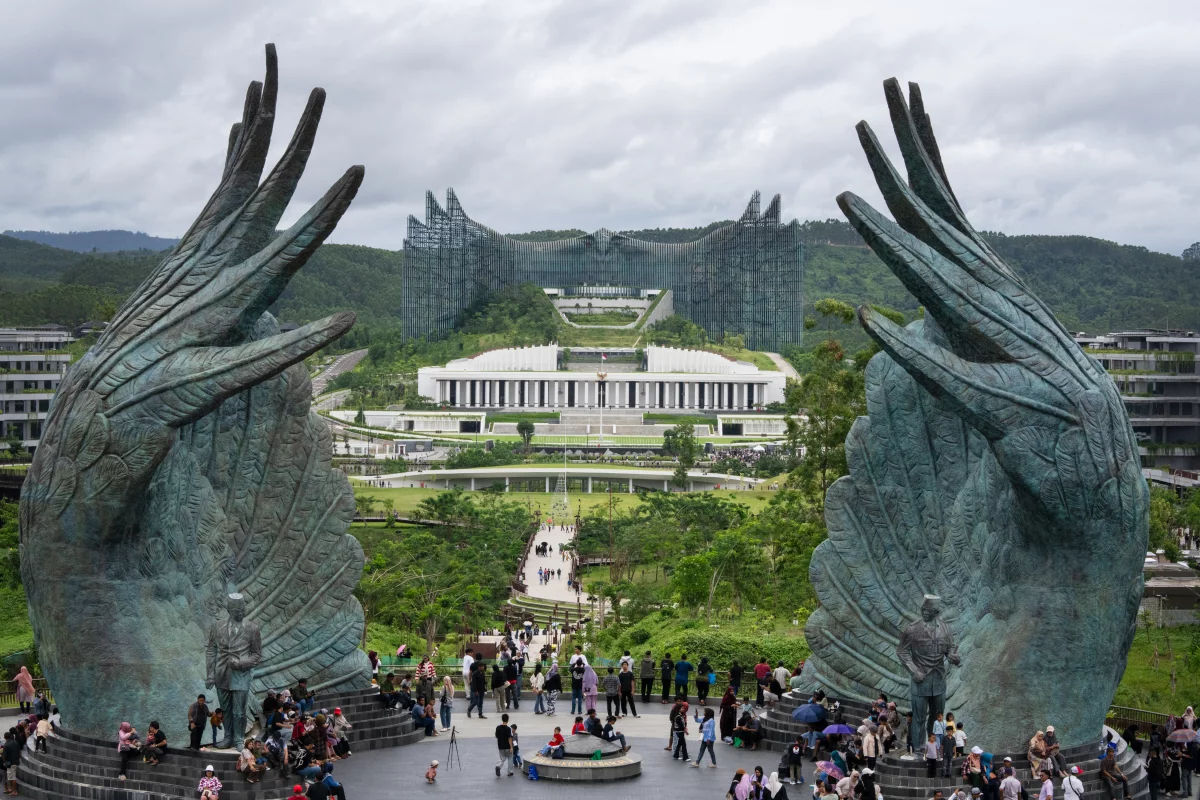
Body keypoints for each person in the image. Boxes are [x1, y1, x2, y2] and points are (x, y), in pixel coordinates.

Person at [495, 713, 515, 777]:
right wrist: (511, 747)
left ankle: (498, 766)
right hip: (507, 747)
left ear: (502, 719)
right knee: (510, 757)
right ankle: (510, 771)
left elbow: (496, 736)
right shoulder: (509, 729)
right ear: (508, 720)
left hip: (500, 746)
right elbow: (510, 738)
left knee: (502, 758)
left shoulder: (498, 727)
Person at [1, 731, 19, 796]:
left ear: (5, 737)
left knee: (12, 777)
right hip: (16, 761)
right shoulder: (15, 742)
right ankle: (12, 790)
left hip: (10, 763)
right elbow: (19, 752)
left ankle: (14, 791)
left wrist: (4, 762)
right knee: (12, 776)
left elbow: (4, 756)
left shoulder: (6, 744)